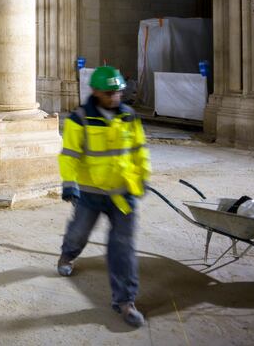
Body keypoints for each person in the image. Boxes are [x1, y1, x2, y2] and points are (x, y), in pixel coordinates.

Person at [57, 65, 151, 328]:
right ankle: (67, 255)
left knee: (123, 247)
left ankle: (125, 301)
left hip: (123, 193)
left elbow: (139, 149)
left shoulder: (129, 116)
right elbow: (70, 155)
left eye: (118, 92)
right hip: (90, 192)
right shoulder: (81, 118)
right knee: (79, 233)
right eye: (109, 93)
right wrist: (69, 183)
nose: (114, 97)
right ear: (96, 91)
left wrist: (142, 176)